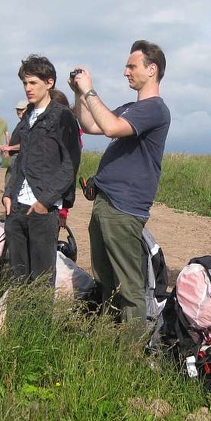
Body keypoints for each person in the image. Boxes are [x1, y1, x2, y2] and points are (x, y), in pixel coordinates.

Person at [70, 40, 171, 323]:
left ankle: (131, 353)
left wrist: (90, 89)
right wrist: (79, 94)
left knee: (129, 286)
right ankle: (110, 339)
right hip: (107, 202)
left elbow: (110, 126)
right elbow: (91, 125)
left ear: (152, 70)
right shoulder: (131, 106)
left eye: (132, 66)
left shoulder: (155, 109)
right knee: (105, 280)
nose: (126, 72)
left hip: (124, 208)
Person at [2, 55, 81, 283]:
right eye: (25, 83)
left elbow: (70, 164)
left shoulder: (63, 116)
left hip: (42, 209)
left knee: (41, 280)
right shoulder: (27, 115)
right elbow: (21, 159)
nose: (28, 88)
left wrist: (45, 202)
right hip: (16, 207)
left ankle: (39, 320)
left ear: (49, 82)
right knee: (18, 278)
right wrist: (8, 194)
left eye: (33, 82)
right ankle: (20, 320)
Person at [0, 99, 28, 190]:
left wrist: (10, 148)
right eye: (17, 110)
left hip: (19, 158)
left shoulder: (28, 124)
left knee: (11, 188)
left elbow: (27, 143)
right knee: (8, 186)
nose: (19, 112)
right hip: (14, 158)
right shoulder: (21, 123)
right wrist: (7, 149)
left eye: (22, 109)